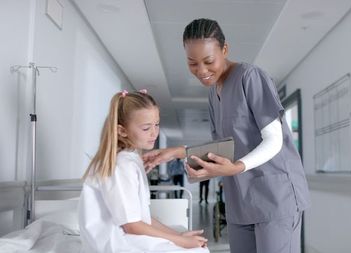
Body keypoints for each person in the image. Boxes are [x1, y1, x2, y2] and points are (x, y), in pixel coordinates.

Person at [143, 18, 310, 253]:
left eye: (208, 61)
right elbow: (221, 147)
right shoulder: (214, 94)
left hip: (275, 198)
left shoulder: (250, 77)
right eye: (192, 63)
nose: (201, 71)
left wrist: (236, 167)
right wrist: (176, 152)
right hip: (240, 200)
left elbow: (274, 139)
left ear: (225, 49)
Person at [78, 90, 208, 253]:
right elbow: (132, 226)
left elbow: (141, 218)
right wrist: (181, 241)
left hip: (124, 236)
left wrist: (180, 236)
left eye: (157, 124)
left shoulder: (130, 159)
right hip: (115, 243)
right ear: (122, 131)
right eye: (146, 128)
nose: (154, 133)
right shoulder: (122, 165)